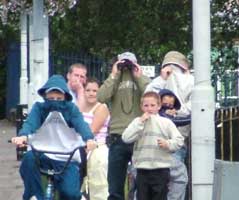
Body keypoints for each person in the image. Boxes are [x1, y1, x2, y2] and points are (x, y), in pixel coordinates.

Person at [11, 75, 96, 200]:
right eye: (51, 98)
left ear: (65, 97)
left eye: (58, 98)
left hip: (67, 157)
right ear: (45, 97)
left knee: (70, 194)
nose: (54, 101)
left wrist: (89, 138)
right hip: (42, 154)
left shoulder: (71, 109)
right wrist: (23, 136)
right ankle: (35, 195)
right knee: (28, 159)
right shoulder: (39, 108)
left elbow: (81, 124)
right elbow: (30, 123)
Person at [97, 51, 151, 200]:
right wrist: (114, 75)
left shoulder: (140, 78)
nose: (126, 67)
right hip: (117, 136)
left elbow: (152, 96)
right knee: (115, 187)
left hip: (139, 136)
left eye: (130, 63)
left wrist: (139, 76)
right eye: (123, 63)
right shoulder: (114, 79)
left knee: (143, 185)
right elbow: (101, 97)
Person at [122, 91, 184, 200]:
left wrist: (168, 144)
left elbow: (179, 140)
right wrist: (140, 122)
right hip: (142, 170)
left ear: (159, 106)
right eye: (146, 105)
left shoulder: (166, 123)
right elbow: (126, 138)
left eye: (152, 105)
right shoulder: (137, 122)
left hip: (161, 169)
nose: (149, 108)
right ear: (141, 107)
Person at [81, 77, 110, 200]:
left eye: (95, 90)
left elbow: (91, 131)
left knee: (98, 186)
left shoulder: (101, 107)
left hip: (97, 149)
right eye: (88, 90)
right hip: (81, 148)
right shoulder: (79, 106)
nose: (91, 93)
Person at [159, 89, 190, 200]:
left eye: (171, 106)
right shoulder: (159, 115)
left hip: (174, 150)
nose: (168, 108)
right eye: (165, 105)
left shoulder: (170, 116)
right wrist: (194, 118)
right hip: (164, 152)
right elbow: (178, 121)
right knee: (179, 179)